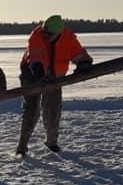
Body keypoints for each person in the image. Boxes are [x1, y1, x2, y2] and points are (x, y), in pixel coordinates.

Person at [16, 15, 93, 154]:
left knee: (53, 109)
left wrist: (84, 62)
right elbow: (36, 56)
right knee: (31, 110)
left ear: (59, 33)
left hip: (56, 78)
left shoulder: (68, 38)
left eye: (49, 34)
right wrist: (39, 73)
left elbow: (79, 53)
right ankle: (22, 144)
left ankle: (52, 142)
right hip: (32, 75)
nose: (45, 35)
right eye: (44, 31)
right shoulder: (36, 36)